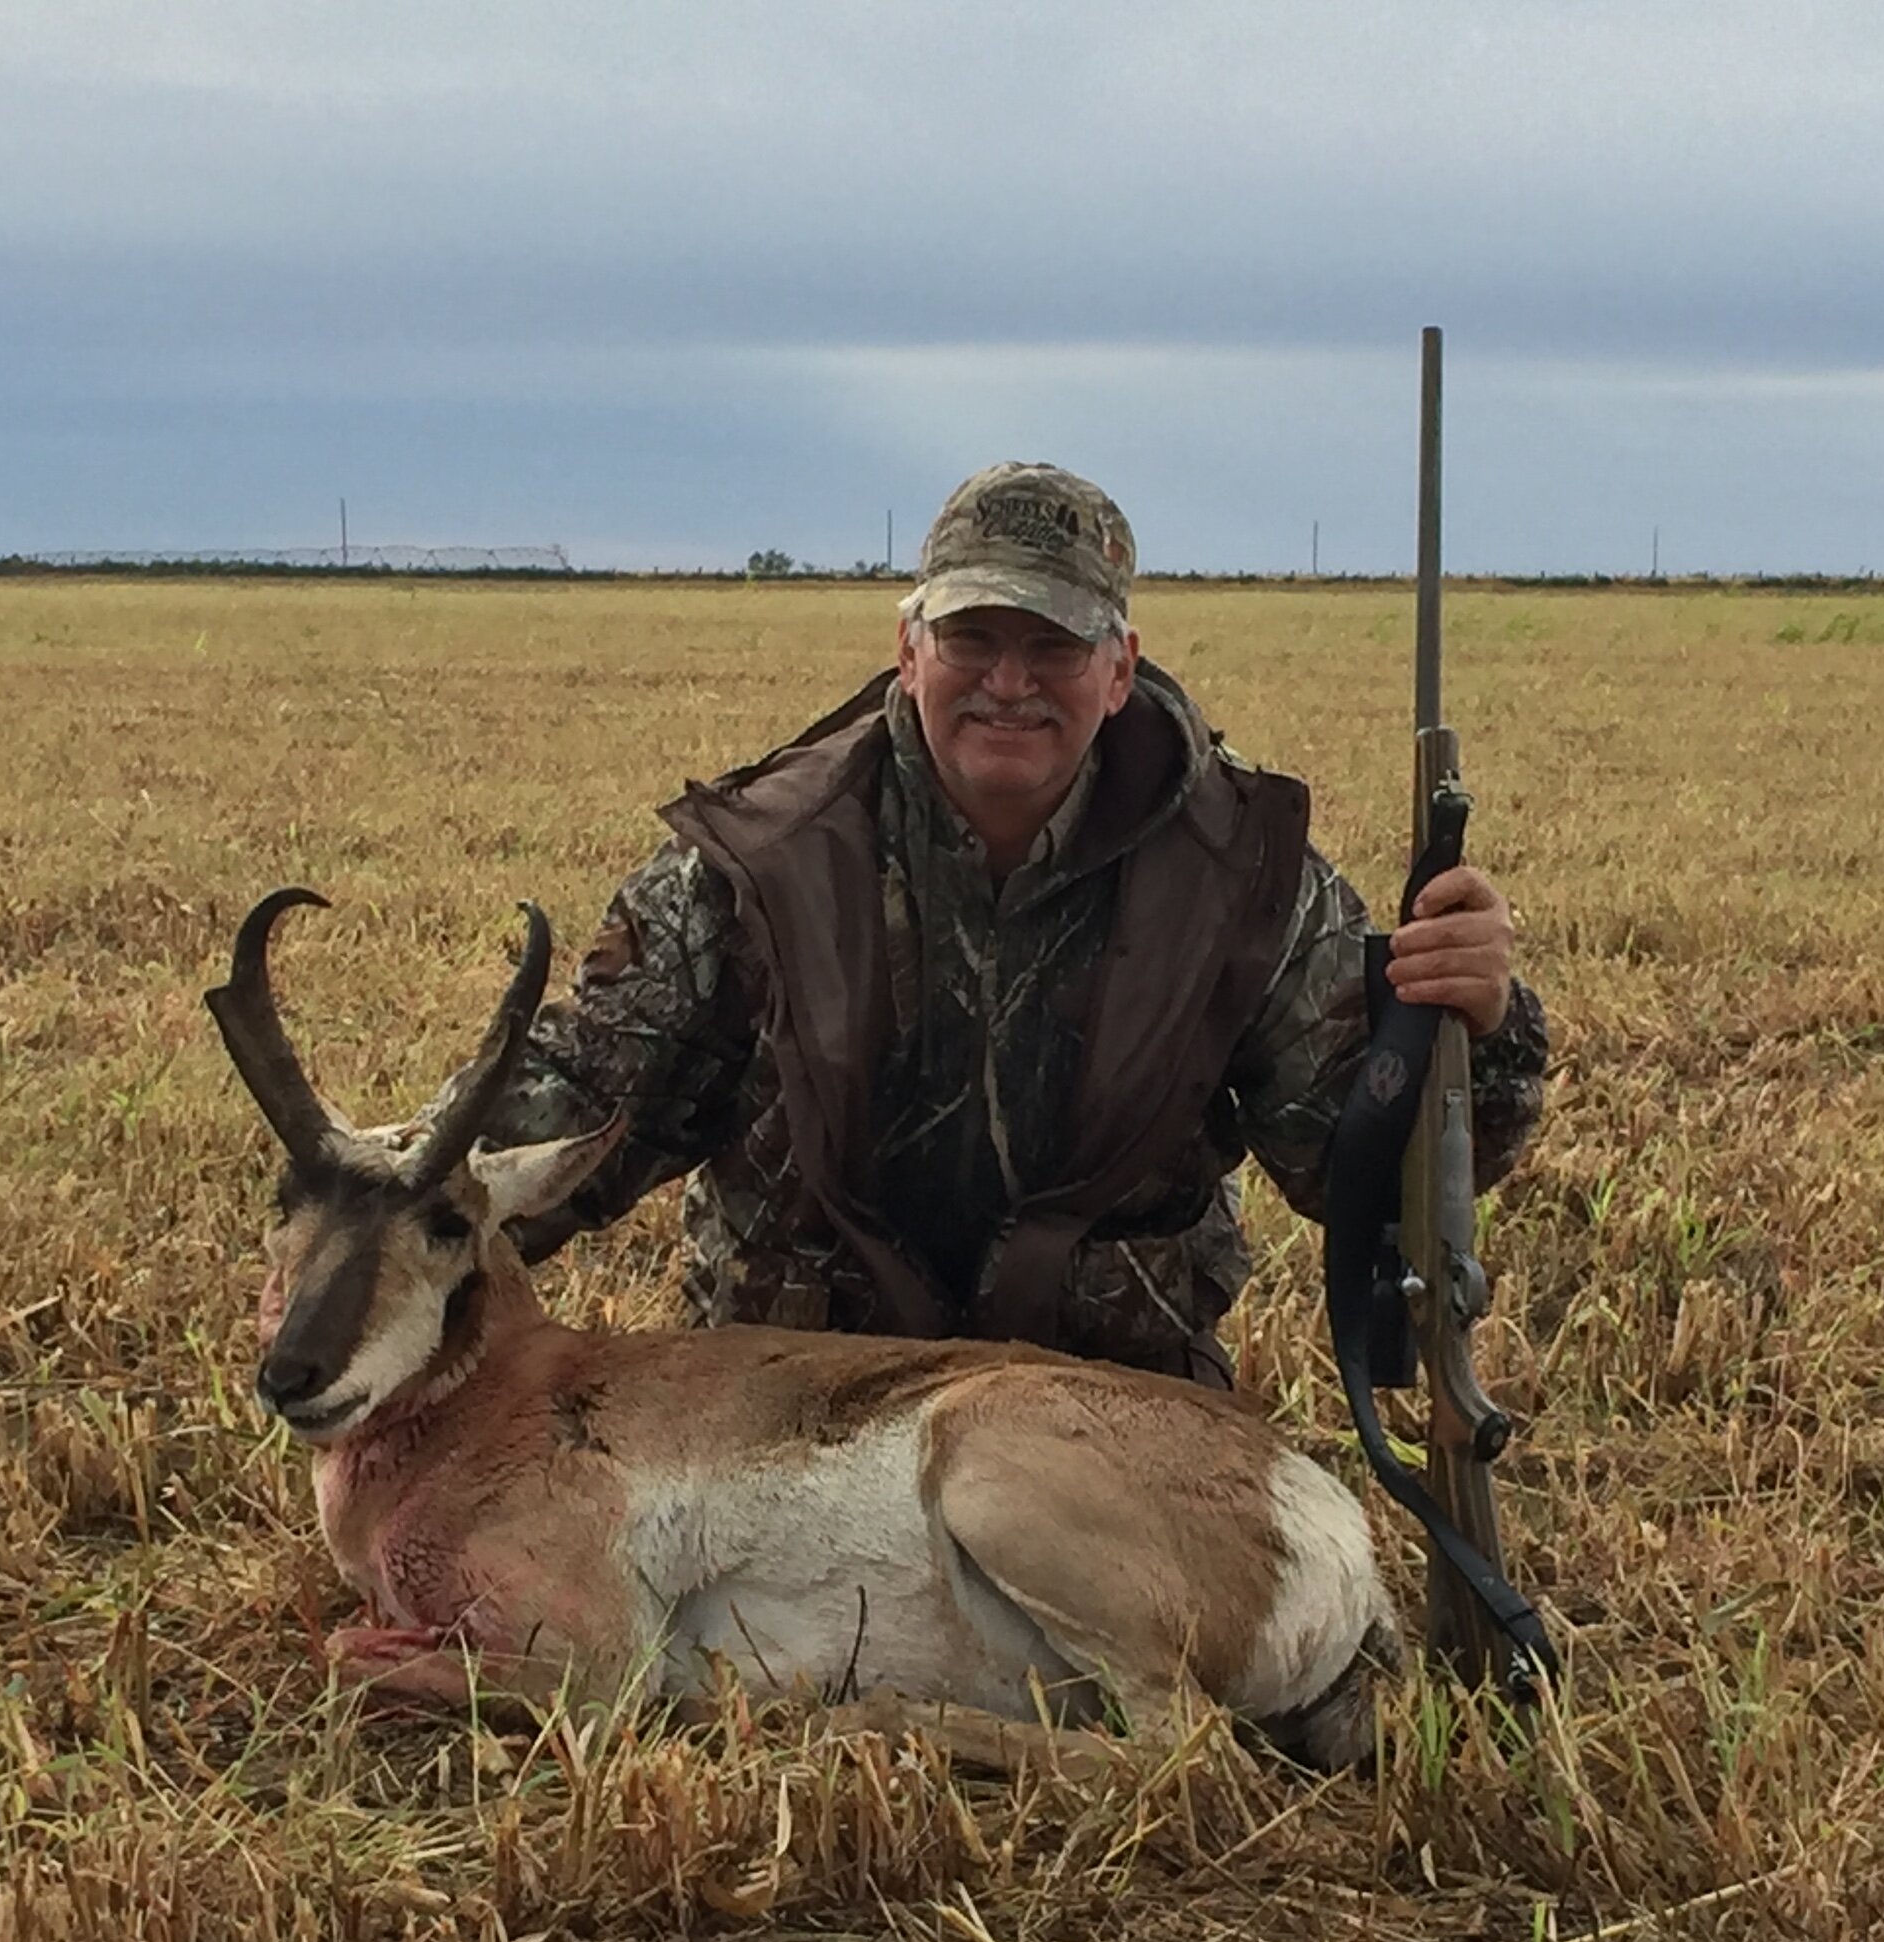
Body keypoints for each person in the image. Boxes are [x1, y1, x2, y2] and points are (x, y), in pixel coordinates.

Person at [447, 462, 1548, 1387]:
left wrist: (1474, 1025)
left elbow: (1356, 1162)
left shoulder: (1241, 877)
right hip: (790, 1422)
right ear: (909, 648)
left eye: (1056, 644)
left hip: (1108, 1416)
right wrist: (373, 1211)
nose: (1009, 683)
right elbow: (582, 1110)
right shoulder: (760, 861)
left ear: (1119, 669)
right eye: (973, 638)